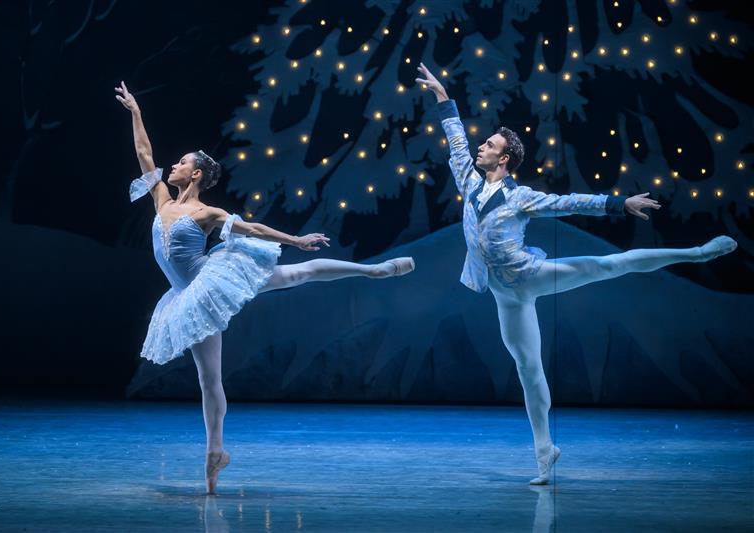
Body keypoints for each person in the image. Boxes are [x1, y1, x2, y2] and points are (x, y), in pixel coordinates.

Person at [414, 63, 737, 485]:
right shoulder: (468, 182)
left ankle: (694, 253)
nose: (481, 146)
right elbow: (456, 140)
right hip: (503, 293)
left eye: (489, 144)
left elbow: (569, 202)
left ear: (504, 158)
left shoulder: (520, 197)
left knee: (608, 265)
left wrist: (618, 204)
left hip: (531, 274)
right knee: (528, 369)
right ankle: (545, 453)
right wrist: (443, 96)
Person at [115, 82, 415, 493]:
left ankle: (375, 270)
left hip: (212, 280)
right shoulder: (162, 200)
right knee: (208, 379)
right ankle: (215, 453)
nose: (174, 166)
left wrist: (295, 240)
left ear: (196, 174)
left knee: (295, 274)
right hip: (187, 298)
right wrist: (136, 112)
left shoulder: (206, 212)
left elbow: (253, 228)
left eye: (182, 163)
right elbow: (144, 154)